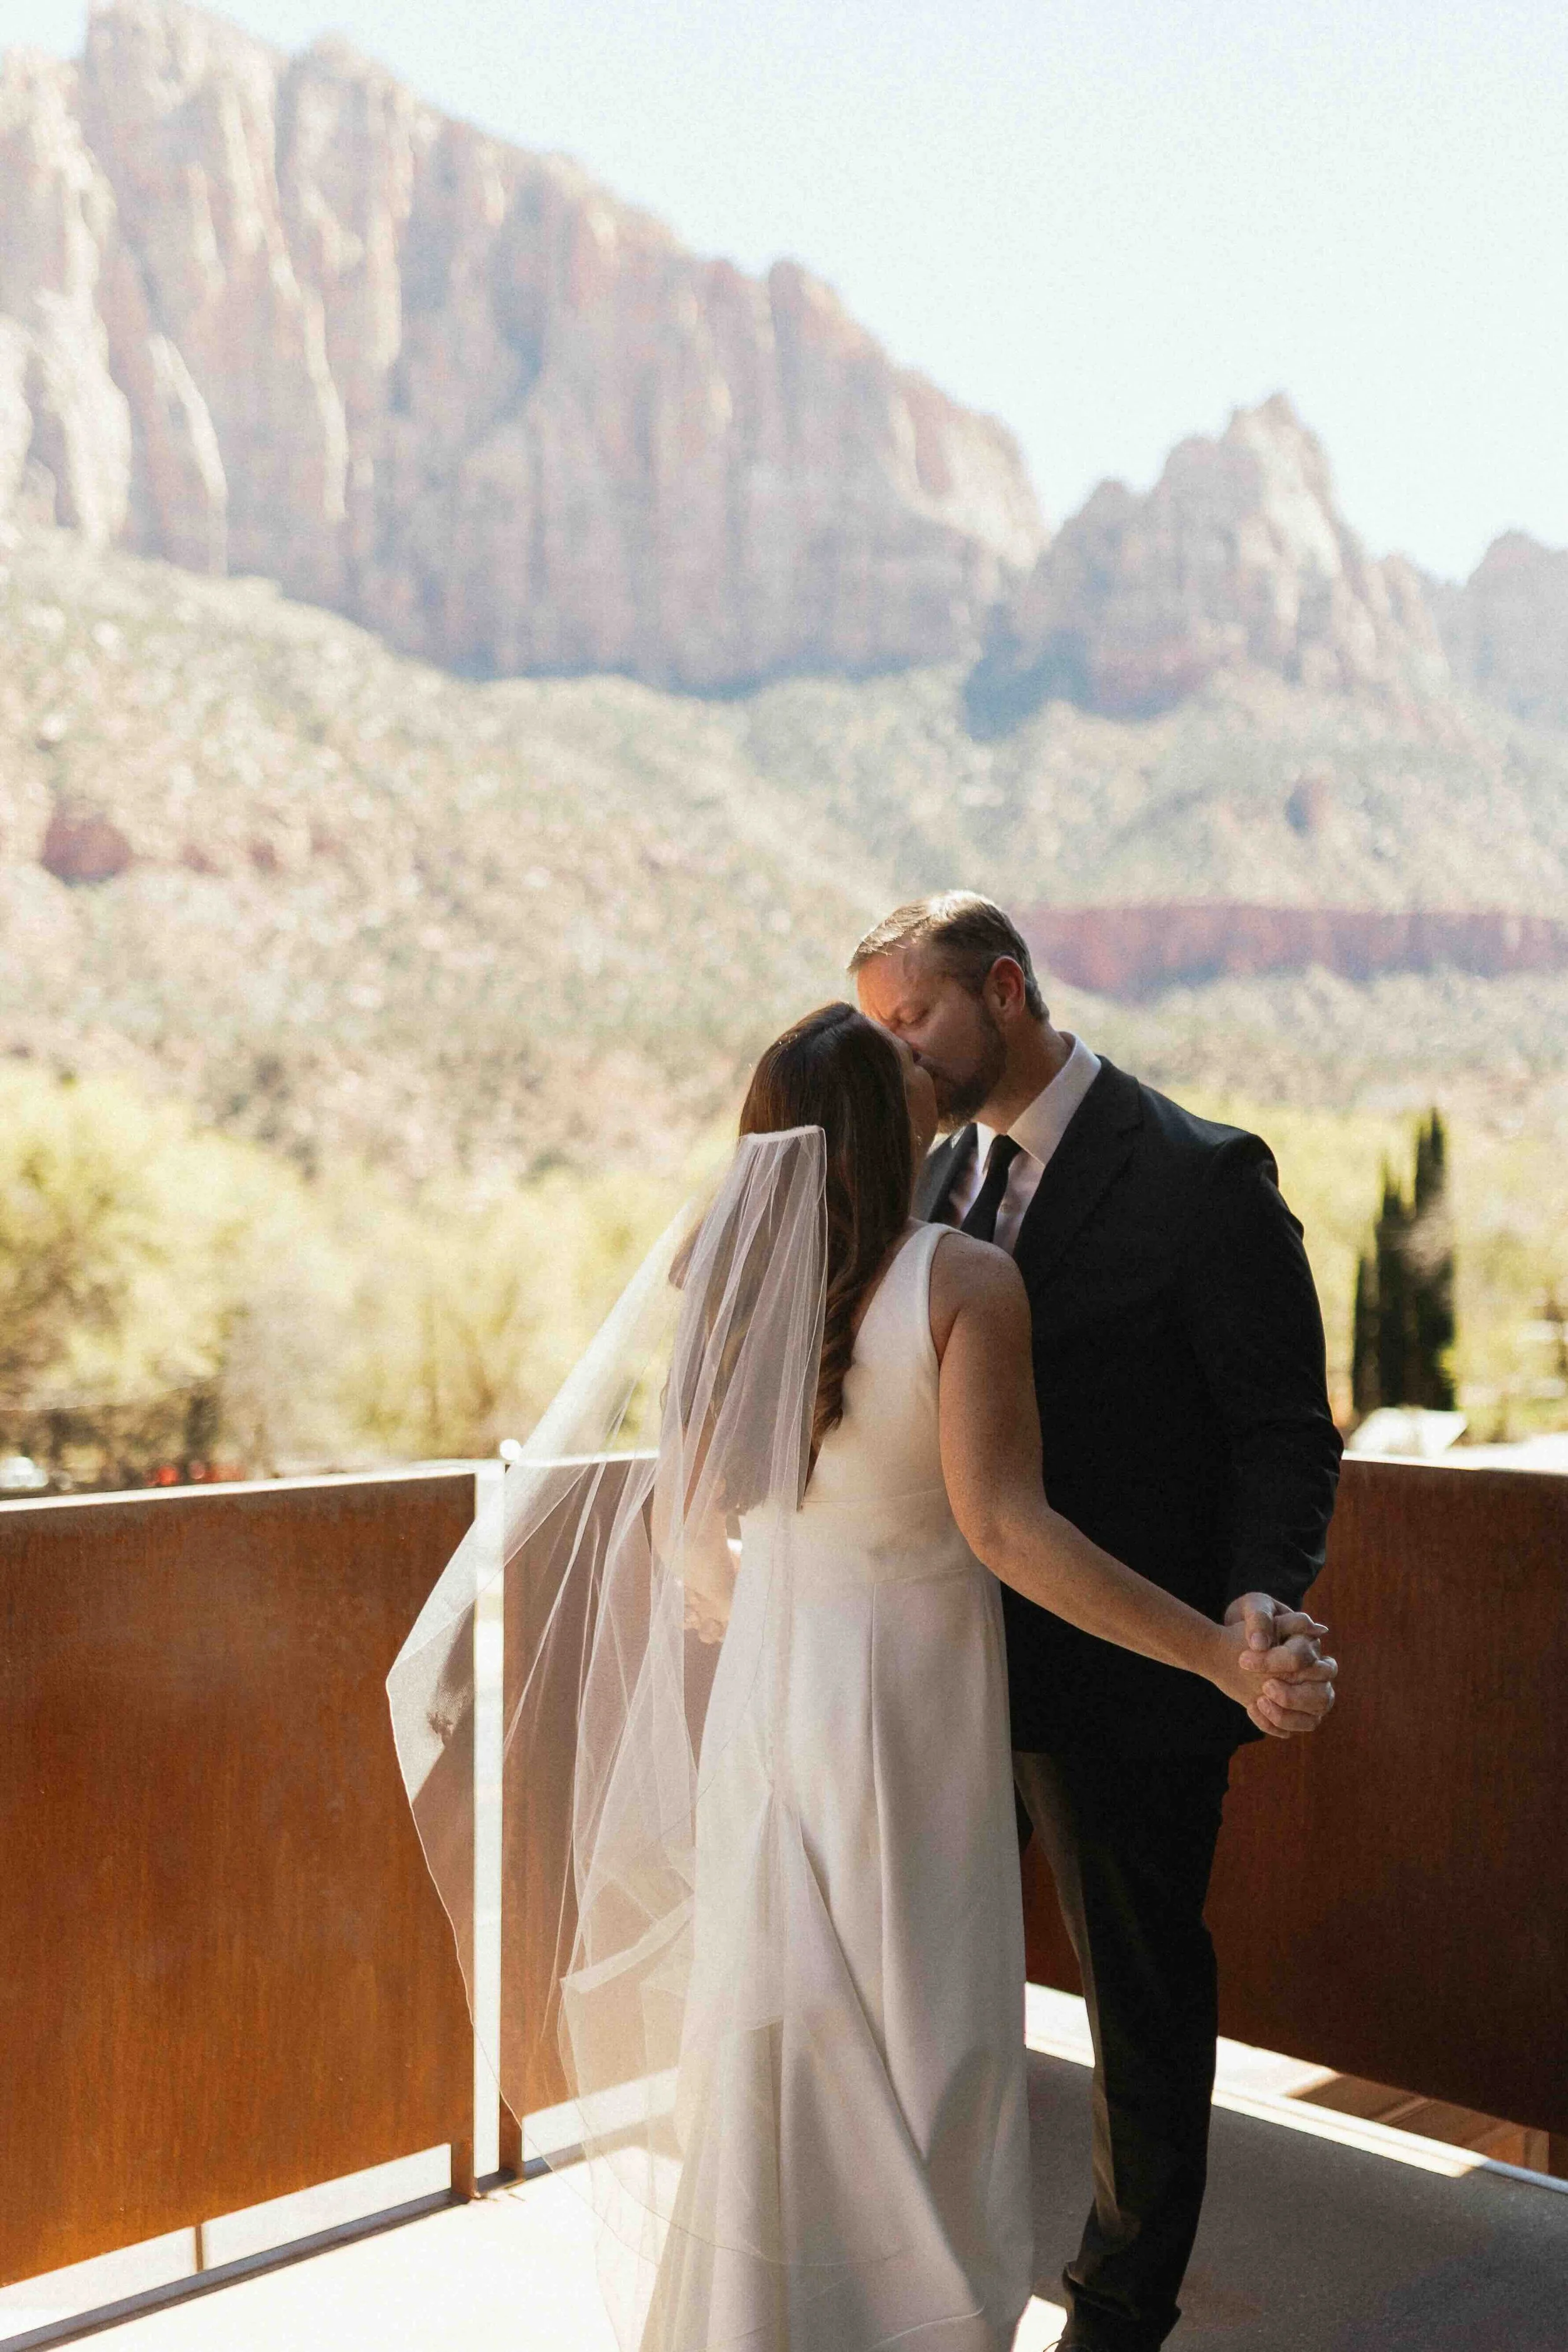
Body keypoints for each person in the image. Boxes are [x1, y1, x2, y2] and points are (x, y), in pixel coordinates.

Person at [390, 995, 1335, 2352]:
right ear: (879, 1124)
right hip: (904, 1722)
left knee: (776, 2061)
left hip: (779, 1711)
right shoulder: (956, 1281)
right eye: (904, 1066)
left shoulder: (727, 1285)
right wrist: (1212, 1657)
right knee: (923, 2060)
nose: (930, 1071)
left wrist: (781, 1598)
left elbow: (687, 1536)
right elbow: (1009, 1533)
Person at [852, 893, 1343, 2352]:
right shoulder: (927, 1180)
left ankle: (1117, 2314)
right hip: (943, 1670)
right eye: (877, 1028)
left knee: (1135, 2009)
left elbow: (1280, 1431)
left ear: (1002, 989)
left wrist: (1256, 1598)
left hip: (1129, 1678)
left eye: (915, 1018)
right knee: (926, 1983)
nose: (900, 1053)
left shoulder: (1198, 1176)